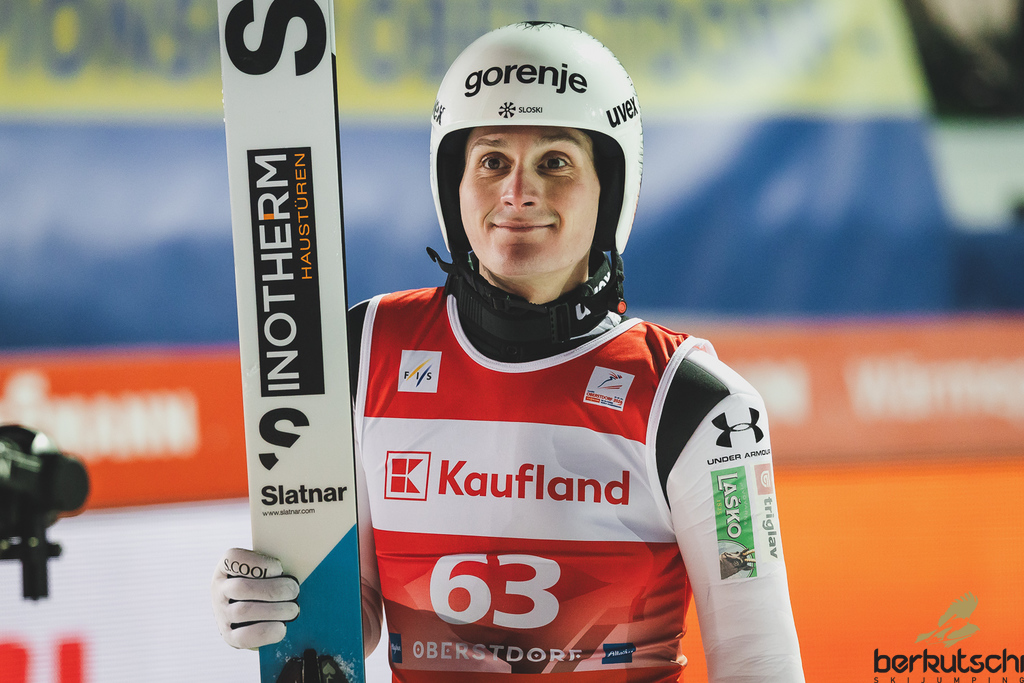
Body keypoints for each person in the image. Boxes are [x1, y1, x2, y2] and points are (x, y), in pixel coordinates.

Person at [212, 22, 805, 682]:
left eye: (555, 162)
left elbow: (759, 662)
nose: (518, 192)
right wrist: (282, 604)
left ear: (610, 188)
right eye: (492, 161)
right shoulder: (363, 349)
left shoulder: (698, 406)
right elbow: (356, 608)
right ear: (454, 184)